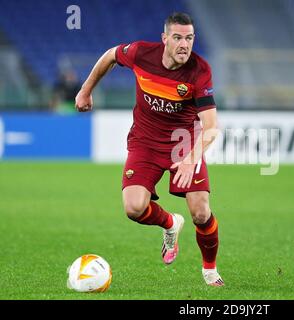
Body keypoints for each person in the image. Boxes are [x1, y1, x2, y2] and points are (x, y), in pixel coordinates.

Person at [74, 12, 223, 286]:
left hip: (183, 144)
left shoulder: (200, 71)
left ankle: (210, 270)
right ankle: (169, 224)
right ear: (164, 38)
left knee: (201, 213)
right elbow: (110, 55)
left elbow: (211, 126)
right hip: (145, 141)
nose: (184, 44)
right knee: (133, 207)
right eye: (177, 38)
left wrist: (191, 158)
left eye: (189, 38)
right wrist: (86, 90)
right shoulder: (141, 53)